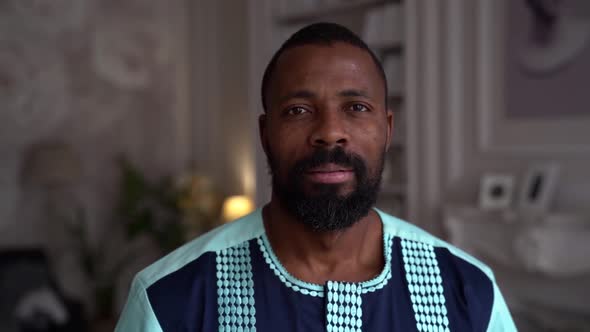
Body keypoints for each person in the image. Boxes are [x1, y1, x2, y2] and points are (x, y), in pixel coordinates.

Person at [115, 22, 517, 331]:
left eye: (356, 108)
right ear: (265, 133)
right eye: (298, 111)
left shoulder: (467, 290)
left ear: (388, 130)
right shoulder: (171, 298)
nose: (329, 132)